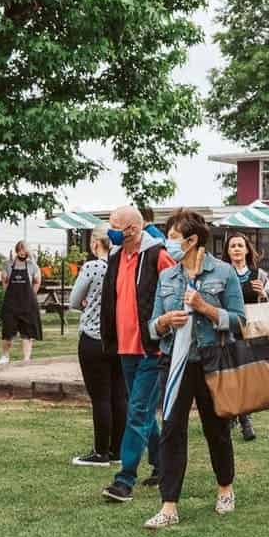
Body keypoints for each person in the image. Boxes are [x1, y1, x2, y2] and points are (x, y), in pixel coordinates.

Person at [142, 209, 246, 529]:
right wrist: (163, 322)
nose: (168, 244)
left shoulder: (223, 273)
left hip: (212, 362)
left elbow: (239, 321)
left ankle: (225, 488)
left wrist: (206, 308)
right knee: (171, 431)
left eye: (173, 238)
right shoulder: (167, 277)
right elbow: (152, 327)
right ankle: (169, 506)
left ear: (192, 240)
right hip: (174, 363)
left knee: (217, 429)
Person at [99, 206, 175, 504]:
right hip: (124, 348)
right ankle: (161, 463)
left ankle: (124, 480)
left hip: (151, 349)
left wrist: (164, 330)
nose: (110, 231)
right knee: (141, 410)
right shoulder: (116, 257)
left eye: (114, 226)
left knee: (138, 411)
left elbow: (174, 293)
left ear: (131, 229)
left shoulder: (158, 256)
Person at [69, 226, 125, 466]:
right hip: (119, 338)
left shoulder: (93, 267)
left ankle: (100, 451)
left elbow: (74, 301)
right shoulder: (122, 267)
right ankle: (117, 450)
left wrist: (86, 303)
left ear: (95, 244)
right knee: (119, 395)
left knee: (100, 396)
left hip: (93, 336)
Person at [224, 232, 269, 442]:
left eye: (240, 245)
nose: (236, 249)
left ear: (246, 250)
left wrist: (263, 294)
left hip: (252, 331)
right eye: (232, 246)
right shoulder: (223, 274)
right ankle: (243, 420)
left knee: (247, 376)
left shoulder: (259, 274)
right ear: (227, 251)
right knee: (233, 375)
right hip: (229, 330)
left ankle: (241, 417)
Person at [0, 241, 43, 363]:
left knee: (27, 333)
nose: (23, 253)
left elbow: (37, 281)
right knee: (7, 332)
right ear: (17, 250)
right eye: (21, 250)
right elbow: (5, 282)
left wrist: (32, 295)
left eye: (25, 251)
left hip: (27, 304)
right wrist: (8, 295)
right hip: (11, 304)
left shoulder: (33, 266)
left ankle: (26, 358)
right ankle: (5, 356)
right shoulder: (8, 264)